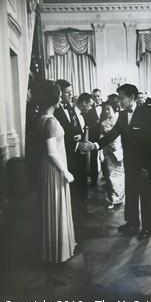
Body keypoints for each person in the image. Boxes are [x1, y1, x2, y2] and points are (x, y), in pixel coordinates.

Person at [84, 84, 151, 239]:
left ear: (132, 97)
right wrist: (96, 145)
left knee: (145, 196)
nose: (119, 101)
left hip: (143, 165)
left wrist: (147, 167)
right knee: (130, 193)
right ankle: (132, 223)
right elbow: (113, 133)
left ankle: (147, 227)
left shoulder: (146, 114)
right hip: (129, 163)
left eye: (122, 98)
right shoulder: (123, 115)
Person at [35, 80, 76, 264]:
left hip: (50, 167)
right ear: (55, 97)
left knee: (54, 205)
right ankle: (58, 251)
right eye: (60, 94)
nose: (62, 97)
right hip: (54, 168)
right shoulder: (50, 121)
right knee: (56, 205)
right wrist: (65, 172)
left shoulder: (42, 117)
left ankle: (56, 249)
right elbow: (51, 152)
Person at [54, 80, 91, 220]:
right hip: (67, 154)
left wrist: (80, 137)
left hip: (77, 152)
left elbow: (73, 128)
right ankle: (75, 214)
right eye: (67, 92)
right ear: (59, 93)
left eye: (71, 91)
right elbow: (59, 136)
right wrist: (76, 144)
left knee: (82, 181)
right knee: (74, 185)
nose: (70, 94)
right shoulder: (56, 111)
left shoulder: (69, 108)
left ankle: (83, 211)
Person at [100, 102, 125, 209]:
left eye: (108, 109)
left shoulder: (118, 121)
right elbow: (101, 137)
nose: (106, 111)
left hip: (118, 149)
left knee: (120, 175)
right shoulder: (103, 123)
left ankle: (120, 197)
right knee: (110, 176)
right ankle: (112, 199)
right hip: (108, 150)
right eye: (105, 109)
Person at [86, 88, 103, 186]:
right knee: (93, 157)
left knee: (106, 156)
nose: (97, 98)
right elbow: (87, 121)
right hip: (94, 135)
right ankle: (94, 179)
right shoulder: (89, 108)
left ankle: (106, 176)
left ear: (101, 96)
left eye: (98, 96)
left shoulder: (106, 106)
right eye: (94, 96)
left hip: (105, 135)